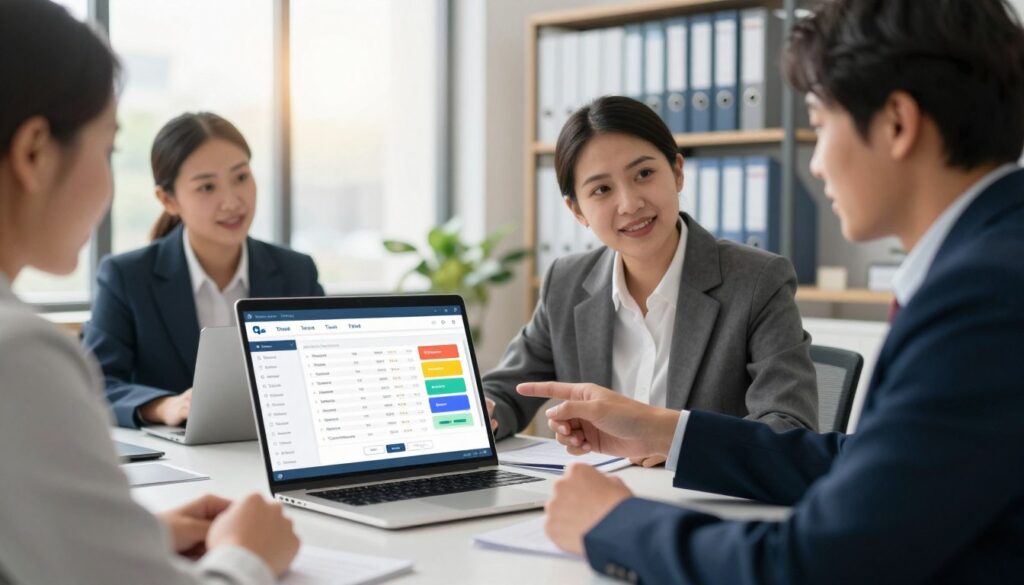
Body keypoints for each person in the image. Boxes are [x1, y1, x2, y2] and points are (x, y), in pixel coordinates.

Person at [519, 0, 1024, 583]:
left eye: (818, 124)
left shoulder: (983, 298)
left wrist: (614, 522)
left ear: (896, 124)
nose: (814, 164)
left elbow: (817, 564)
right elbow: (859, 463)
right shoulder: (990, 263)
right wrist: (662, 428)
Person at [0, 1, 299, 582]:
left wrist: (134, 535)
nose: (230, 199)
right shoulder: (19, 355)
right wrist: (248, 555)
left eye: (241, 176)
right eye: (107, 149)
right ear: (35, 152)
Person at [484, 96, 818, 464]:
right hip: (596, 495)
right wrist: (486, 413)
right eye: (602, 190)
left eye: (643, 174)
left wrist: (674, 440)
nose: (630, 204)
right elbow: (505, 391)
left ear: (677, 171)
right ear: (577, 210)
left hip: (699, 504)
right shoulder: (566, 281)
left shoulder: (757, 281)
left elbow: (789, 430)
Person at [83, 112, 325, 428]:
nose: (232, 202)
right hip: (183, 461)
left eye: (241, 177)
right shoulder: (126, 277)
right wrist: (164, 406)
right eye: (207, 187)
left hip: (275, 453)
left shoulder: (296, 272)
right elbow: (96, 385)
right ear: (167, 200)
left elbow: (325, 374)